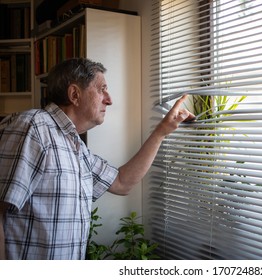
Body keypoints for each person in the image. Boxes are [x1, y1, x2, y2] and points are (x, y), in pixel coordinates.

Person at [0, 58, 195, 260]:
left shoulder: (75, 145)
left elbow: (121, 183)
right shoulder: (33, 126)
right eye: (102, 89)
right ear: (75, 94)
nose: (109, 100)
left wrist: (161, 132)